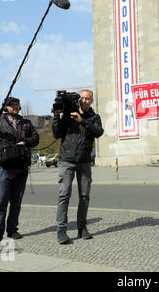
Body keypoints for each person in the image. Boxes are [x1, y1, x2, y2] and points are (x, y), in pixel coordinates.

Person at [0, 97, 39, 243]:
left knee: (16, 201)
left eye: (17, 104)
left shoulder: (26, 122)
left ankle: (12, 230)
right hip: (4, 166)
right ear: (6, 107)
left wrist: (25, 141)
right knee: (1, 200)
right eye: (12, 105)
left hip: (21, 165)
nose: (15, 107)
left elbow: (36, 138)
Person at [52, 89, 104, 244]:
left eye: (87, 98)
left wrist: (82, 120)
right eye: (81, 98)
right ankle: (61, 230)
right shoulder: (68, 113)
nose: (84, 100)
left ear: (91, 101)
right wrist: (56, 116)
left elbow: (98, 132)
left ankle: (82, 227)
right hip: (66, 159)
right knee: (64, 195)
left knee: (84, 196)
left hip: (84, 160)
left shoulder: (94, 117)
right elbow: (57, 133)